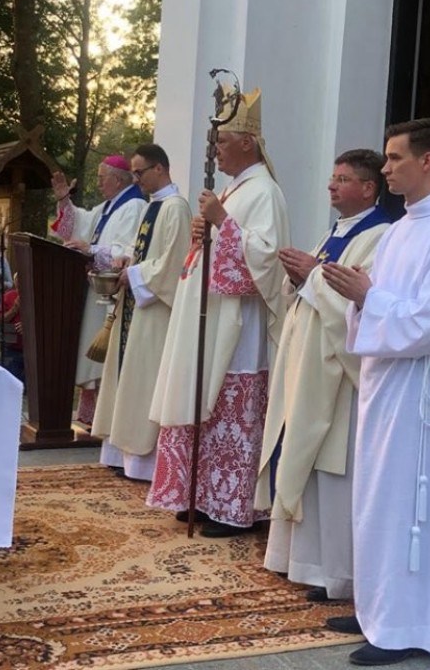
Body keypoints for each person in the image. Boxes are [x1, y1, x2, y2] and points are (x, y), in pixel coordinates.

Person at [321, 118, 430, 665]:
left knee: (403, 504)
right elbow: (377, 301)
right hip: (383, 379)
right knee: (374, 500)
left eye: (394, 158)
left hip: (416, 388)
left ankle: (404, 626)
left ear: (427, 161)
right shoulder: (400, 229)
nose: (385, 168)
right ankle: (375, 608)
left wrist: (370, 297)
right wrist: (356, 296)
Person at [146, 87, 291, 537]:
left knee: (228, 405)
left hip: (237, 325)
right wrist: (203, 233)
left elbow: (266, 260)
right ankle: (202, 496)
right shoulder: (235, 188)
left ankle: (232, 507)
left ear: (247, 142)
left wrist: (222, 223)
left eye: (221, 142)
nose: (215, 151)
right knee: (201, 399)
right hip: (207, 316)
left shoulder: (265, 191)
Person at [256, 148, 391, 601]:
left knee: (331, 472)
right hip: (307, 364)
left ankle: (333, 573)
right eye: (332, 177)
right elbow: (314, 291)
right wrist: (298, 278)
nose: (332, 185)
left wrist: (312, 276)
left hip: (337, 378)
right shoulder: (335, 232)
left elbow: (360, 305)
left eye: (343, 179)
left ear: (368, 188)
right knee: (301, 457)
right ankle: (298, 560)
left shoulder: (379, 236)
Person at [91, 144, 192, 481]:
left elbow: (174, 263)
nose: (136, 179)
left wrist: (135, 273)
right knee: (128, 377)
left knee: (144, 379)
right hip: (137, 306)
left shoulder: (176, 208)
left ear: (159, 168)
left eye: (139, 172)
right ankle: (121, 454)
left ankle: (143, 462)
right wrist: (128, 262)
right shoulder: (153, 206)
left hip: (155, 312)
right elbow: (148, 254)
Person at [51, 155, 146, 428]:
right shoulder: (107, 207)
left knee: (107, 360)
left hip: (114, 295)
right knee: (94, 359)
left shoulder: (134, 206)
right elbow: (75, 228)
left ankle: (107, 420)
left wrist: (91, 250)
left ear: (117, 179)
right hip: (97, 292)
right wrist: (64, 201)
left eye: (102, 178)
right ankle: (94, 417)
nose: (99, 183)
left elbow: (126, 251)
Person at [0, 272, 24, 383]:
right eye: (17, 281)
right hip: (12, 349)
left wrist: (29, 328)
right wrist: (14, 309)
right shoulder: (8, 296)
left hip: (34, 351)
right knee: (12, 381)